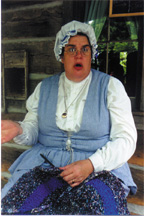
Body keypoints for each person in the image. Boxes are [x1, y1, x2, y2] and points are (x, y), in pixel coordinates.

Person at [1, 20, 137, 215]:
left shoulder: (111, 87)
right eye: (71, 49)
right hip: (44, 165)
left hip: (98, 169)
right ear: (61, 56)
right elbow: (33, 130)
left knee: (98, 208)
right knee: (14, 206)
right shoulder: (45, 88)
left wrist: (91, 164)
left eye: (85, 49)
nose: (79, 55)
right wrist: (19, 128)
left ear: (92, 55)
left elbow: (126, 139)